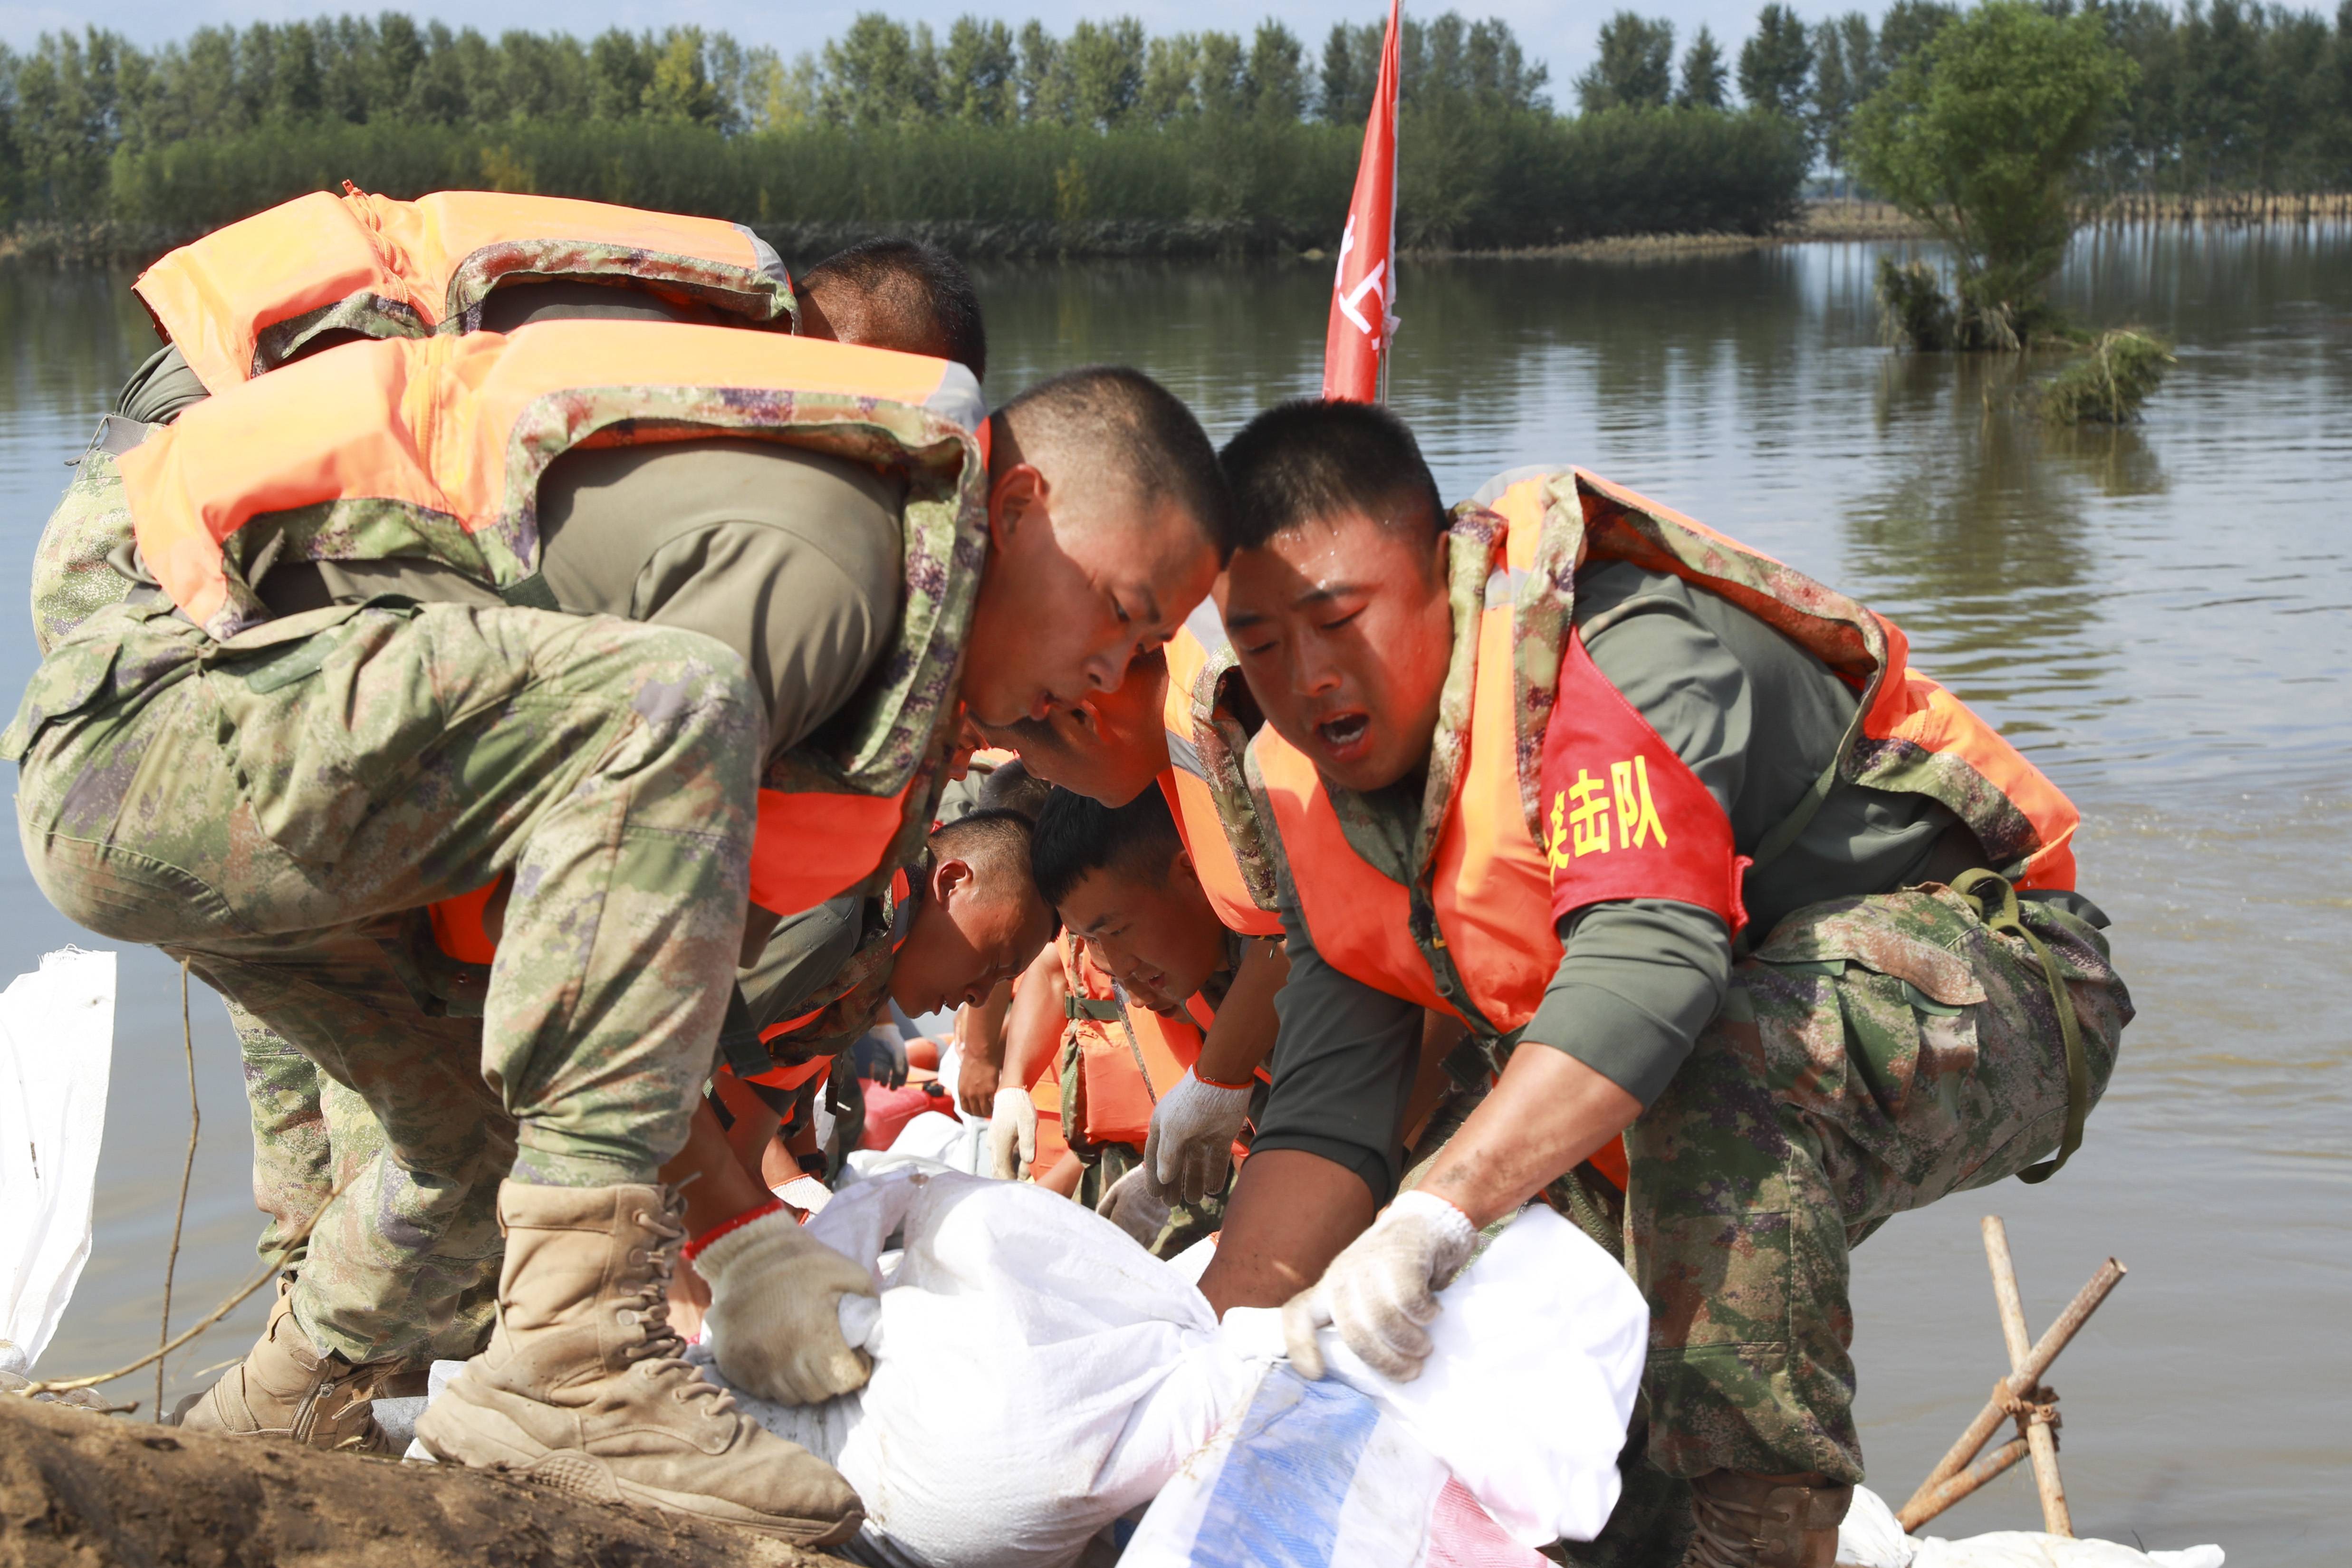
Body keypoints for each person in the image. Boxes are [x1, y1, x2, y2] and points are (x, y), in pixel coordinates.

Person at [5, 317, 1229, 1541]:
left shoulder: (900, 643)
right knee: (687, 704)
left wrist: (738, 1238)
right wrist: (720, 1250)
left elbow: (582, 976)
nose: (1108, 669)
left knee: (472, 1151)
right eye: (1116, 612)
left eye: (1144, 649)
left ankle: (261, 1429)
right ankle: (573, 1365)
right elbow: (613, 911)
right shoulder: (840, 570)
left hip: (263, 782)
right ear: (1015, 505)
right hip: (156, 727)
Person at [26, 215, 997, 1453]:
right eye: (852, 380)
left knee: (440, 1120)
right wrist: (729, 1240)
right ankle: (347, 1365)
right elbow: (585, 897)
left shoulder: (721, 433)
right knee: (407, 1090)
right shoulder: (693, 408)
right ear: (802, 326)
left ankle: (275, 1415)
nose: (852, 429)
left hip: (288, 622)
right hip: (196, 582)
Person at [1200, 400, 2131, 1568]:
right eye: (1263, 643)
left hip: (1999, 979)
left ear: (1443, 571)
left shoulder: (1602, 659)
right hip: (1716, 1040)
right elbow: (1327, 1120)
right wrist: (1220, 1382)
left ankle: (1766, 1539)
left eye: (1339, 619)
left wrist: (1435, 1209)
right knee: (1509, 1313)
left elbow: (1654, 965)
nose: (1307, 675)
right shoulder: (1316, 797)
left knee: (1660, 1087)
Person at [663, 807, 1056, 1329]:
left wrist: (785, 1236)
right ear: (953, 881)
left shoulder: (869, 967)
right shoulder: (837, 917)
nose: (979, 993)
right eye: (996, 960)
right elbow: (647, 1063)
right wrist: (702, 1267)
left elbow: (740, 1138)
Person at [970, 637, 1291, 1208]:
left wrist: (1217, 1075)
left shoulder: (1229, 726)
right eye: (1088, 940)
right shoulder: (1182, 952)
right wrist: (1012, 1081)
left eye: (1110, 932)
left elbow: (1302, 933)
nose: (1105, 965)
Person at [1026, 784, 1283, 1253]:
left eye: (1117, 930)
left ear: (1188, 870)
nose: (1121, 968)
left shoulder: (1280, 948)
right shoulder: (1201, 981)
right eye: (1094, 942)